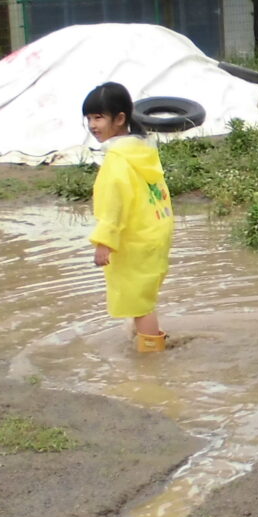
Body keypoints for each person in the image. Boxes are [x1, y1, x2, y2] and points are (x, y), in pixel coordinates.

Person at [84, 82, 175, 353]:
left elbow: (114, 204)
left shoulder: (118, 160)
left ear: (120, 118)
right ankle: (146, 339)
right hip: (155, 231)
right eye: (88, 118)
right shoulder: (142, 151)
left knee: (139, 303)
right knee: (142, 294)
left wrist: (104, 242)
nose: (92, 125)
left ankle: (151, 357)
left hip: (136, 239)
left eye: (98, 117)